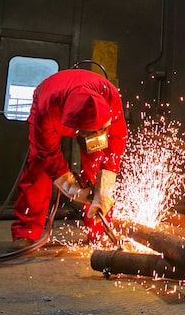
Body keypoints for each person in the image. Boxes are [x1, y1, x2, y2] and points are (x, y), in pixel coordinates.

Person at [9, 68, 129, 247]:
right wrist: (73, 190)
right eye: (90, 133)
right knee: (37, 167)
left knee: (96, 165)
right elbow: (48, 154)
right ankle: (26, 231)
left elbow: (117, 140)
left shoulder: (110, 96)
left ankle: (98, 229)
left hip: (87, 109)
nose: (96, 136)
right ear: (77, 130)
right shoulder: (46, 108)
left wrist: (103, 190)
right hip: (48, 100)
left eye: (101, 130)